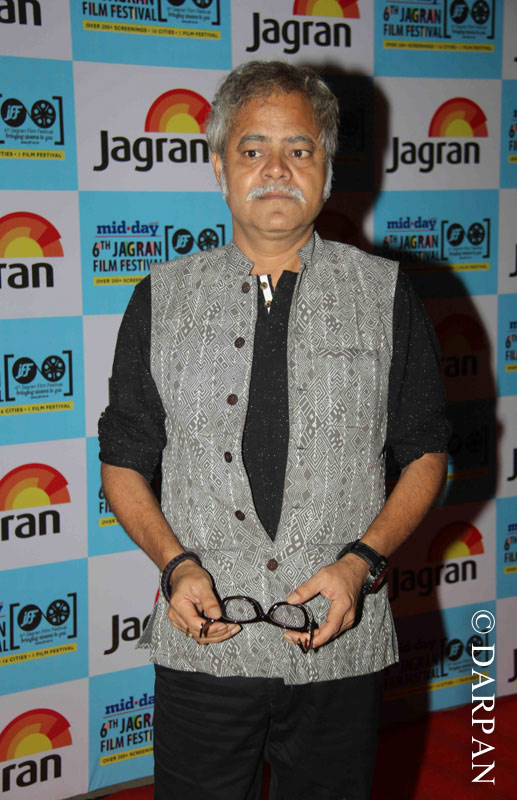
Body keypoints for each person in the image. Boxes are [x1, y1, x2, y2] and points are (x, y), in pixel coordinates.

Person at [99, 60, 449, 800]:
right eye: (252, 149)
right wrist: (174, 565)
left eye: (300, 149)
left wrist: (361, 563)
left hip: (337, 640)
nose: (277, 169)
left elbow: (425, 453)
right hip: (203, 641)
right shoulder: (160, 298)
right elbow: (124, 457)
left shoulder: (385, 294)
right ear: (220, 167)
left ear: (327, 168)